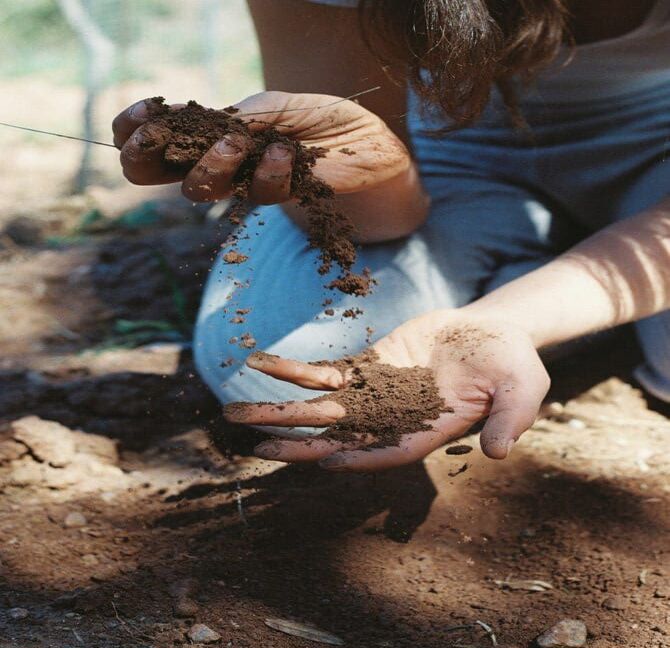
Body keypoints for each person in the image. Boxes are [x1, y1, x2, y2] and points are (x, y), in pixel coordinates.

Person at [112, 0, 670, 472]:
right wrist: (377, 170)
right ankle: (587, 302)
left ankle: (546, 291)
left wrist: (508, 318)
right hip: (445, 148)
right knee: (290, 384)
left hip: (659, 146)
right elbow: (374, 223)